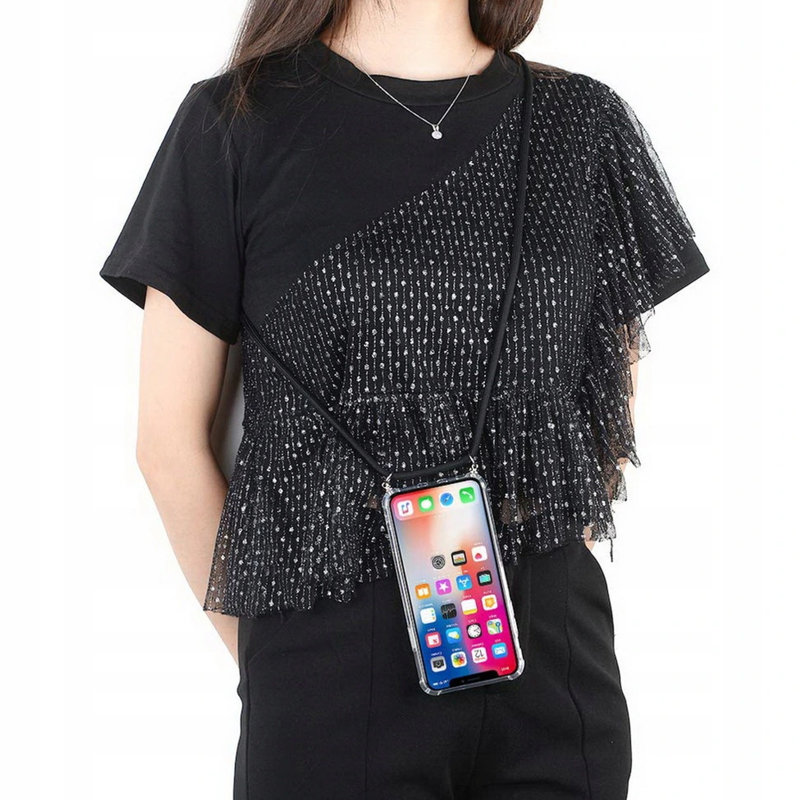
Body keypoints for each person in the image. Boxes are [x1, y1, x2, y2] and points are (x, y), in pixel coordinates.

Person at [99, 1, 710, 797]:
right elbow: (167, 443)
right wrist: (274, 658)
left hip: (551, 649)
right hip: (329, 651)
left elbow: (603, 409)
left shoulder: (583, 122)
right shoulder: (235, 121)